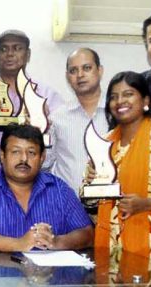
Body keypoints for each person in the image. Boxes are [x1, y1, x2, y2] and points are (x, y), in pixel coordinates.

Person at [89, 71, 151, 262]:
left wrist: (149, 203)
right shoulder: (103, 144)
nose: (120, 101)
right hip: (113, 246)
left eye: (128, 94)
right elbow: (90, 204)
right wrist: (91, 184)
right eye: (114, 97)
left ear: (146, 101)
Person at [0, 124, 93, 252]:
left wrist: (56, 242)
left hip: (51, 273)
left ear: (42, 157)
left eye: (31, 152)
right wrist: (19, 243)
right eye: (16, 152)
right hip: (0, 273)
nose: (24, 159)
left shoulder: (59, 189)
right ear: (2, 155)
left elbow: (87, 234)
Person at [47, 48, 109, 192]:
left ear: (100, 71)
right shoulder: (57, 118)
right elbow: (45, 163)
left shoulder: (118, 113)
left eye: (87, 68)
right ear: (67, 76)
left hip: (111, 206)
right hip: (67, 207)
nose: (80, 75)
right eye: (73, 70)